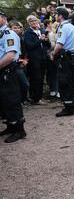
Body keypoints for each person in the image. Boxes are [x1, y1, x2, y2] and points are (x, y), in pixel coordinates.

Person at [0, 10, 27, 143]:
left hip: (7, 70)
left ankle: (19, 130)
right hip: (2, 71)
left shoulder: (8, 34)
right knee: (5, 100)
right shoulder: (1, 34)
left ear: (4, 18)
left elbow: (10, 55)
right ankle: (11, 126)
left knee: (12, 99)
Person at [52, 7, 74, 117]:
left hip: (65, 57)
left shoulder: (63, 27)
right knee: (72, 81)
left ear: (60, 15)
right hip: (71, 56)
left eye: (56, 14)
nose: (54, 16)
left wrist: (53, 54)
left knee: (64, 81)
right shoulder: (72, 26)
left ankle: (68, 108)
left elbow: (59, 45)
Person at [24, 15, 51, 105]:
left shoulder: (41, 31)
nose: (34, 22)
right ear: (29, 23)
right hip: (34, 59)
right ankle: (35, 98)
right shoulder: (28, 32)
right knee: (35, 78)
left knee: (41, 78)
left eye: (35, 20)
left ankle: (39, 97)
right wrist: (40, 40)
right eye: (31, 21)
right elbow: (29, 46)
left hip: (43, 58)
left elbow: (47, 45)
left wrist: (46, 40)